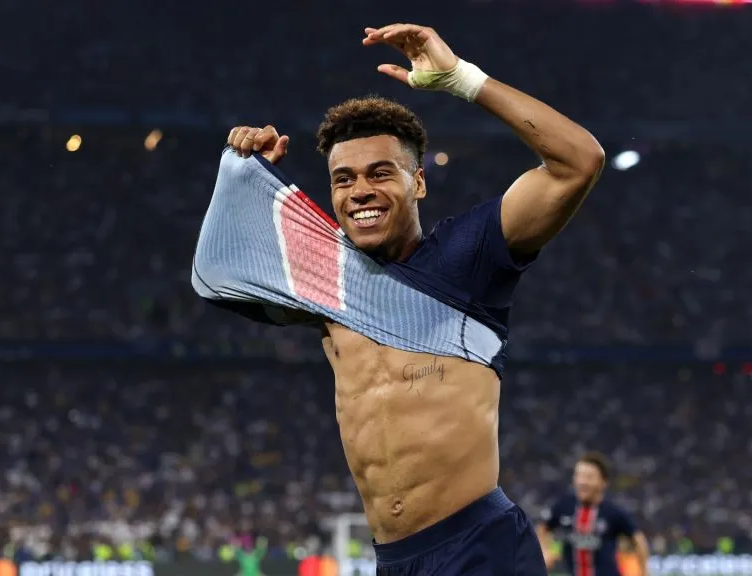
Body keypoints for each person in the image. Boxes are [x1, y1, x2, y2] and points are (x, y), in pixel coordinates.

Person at [222, 23, 605, 575]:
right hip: (393, 561)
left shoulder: (469, 255)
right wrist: (246, 175)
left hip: (480, 547)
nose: (361, 192)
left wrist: (461, 80)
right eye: (344, 179)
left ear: (418, 183)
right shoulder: (328, 279)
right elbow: (224, 279)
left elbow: (578, 161)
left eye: (382, 173)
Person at [537, 453, 650, 576]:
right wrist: (544, 551)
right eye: (579, 476)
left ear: (603, 482)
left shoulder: (613, 512)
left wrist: (643, 572)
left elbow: (638, 540)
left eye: (589, 477)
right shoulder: (563, 507)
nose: (582, 482)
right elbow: (542, 529)